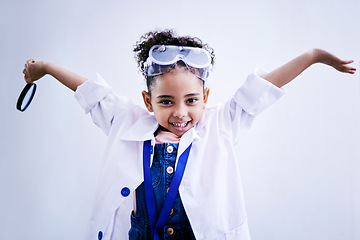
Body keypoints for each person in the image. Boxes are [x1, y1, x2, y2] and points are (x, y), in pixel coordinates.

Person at [22, 30, 356, 240]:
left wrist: (313, 57)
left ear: (205, 99)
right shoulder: (126, 120)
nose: (180, 113)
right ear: (147, 101)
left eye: (191, 100)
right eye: (166, 102)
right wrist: (47, 68)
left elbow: (263, 88)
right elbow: (91, 91)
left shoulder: (220, 124)